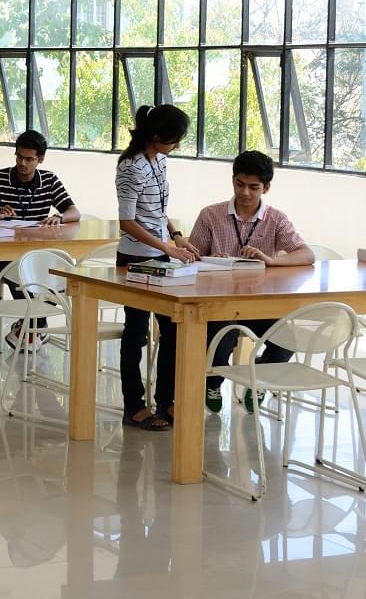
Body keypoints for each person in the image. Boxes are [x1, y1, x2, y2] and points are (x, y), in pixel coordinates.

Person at [188, 150, 314, 413]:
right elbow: (190, 257)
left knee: (287, 339)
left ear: (266, 188)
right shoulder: (210, 214)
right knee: (222, 337)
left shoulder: (276, 219)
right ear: (233, 181)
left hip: (259, 303)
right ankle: (213, 380)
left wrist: (271, 259)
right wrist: (211, 259)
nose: (245, 193)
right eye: (240, 184)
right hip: (219, 302)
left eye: (253, 187)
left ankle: (259, 381)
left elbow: (306, 254)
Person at [115, 105, 199, 431]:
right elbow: (127, 221)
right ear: (156, 137)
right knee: (135, 333)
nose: (176, 146)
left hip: (163, 253)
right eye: (173, 140)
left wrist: (177, 237)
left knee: (173, 329)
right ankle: (133, 406)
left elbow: (159, 211)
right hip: (136, 258)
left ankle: (167, 401)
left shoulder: (160, 161)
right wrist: (165, 246)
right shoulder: (130, 167)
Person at [0, 129, 81, 352]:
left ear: (40, 160)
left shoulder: (49, 180)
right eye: (19, 157)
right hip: (4, 256)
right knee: (27, 278)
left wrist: (59, 217)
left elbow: (74, 212)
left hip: (39, 255)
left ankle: (29, 327)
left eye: (29, 159)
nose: (22, 163)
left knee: (58, 275)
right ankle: (36, 326)